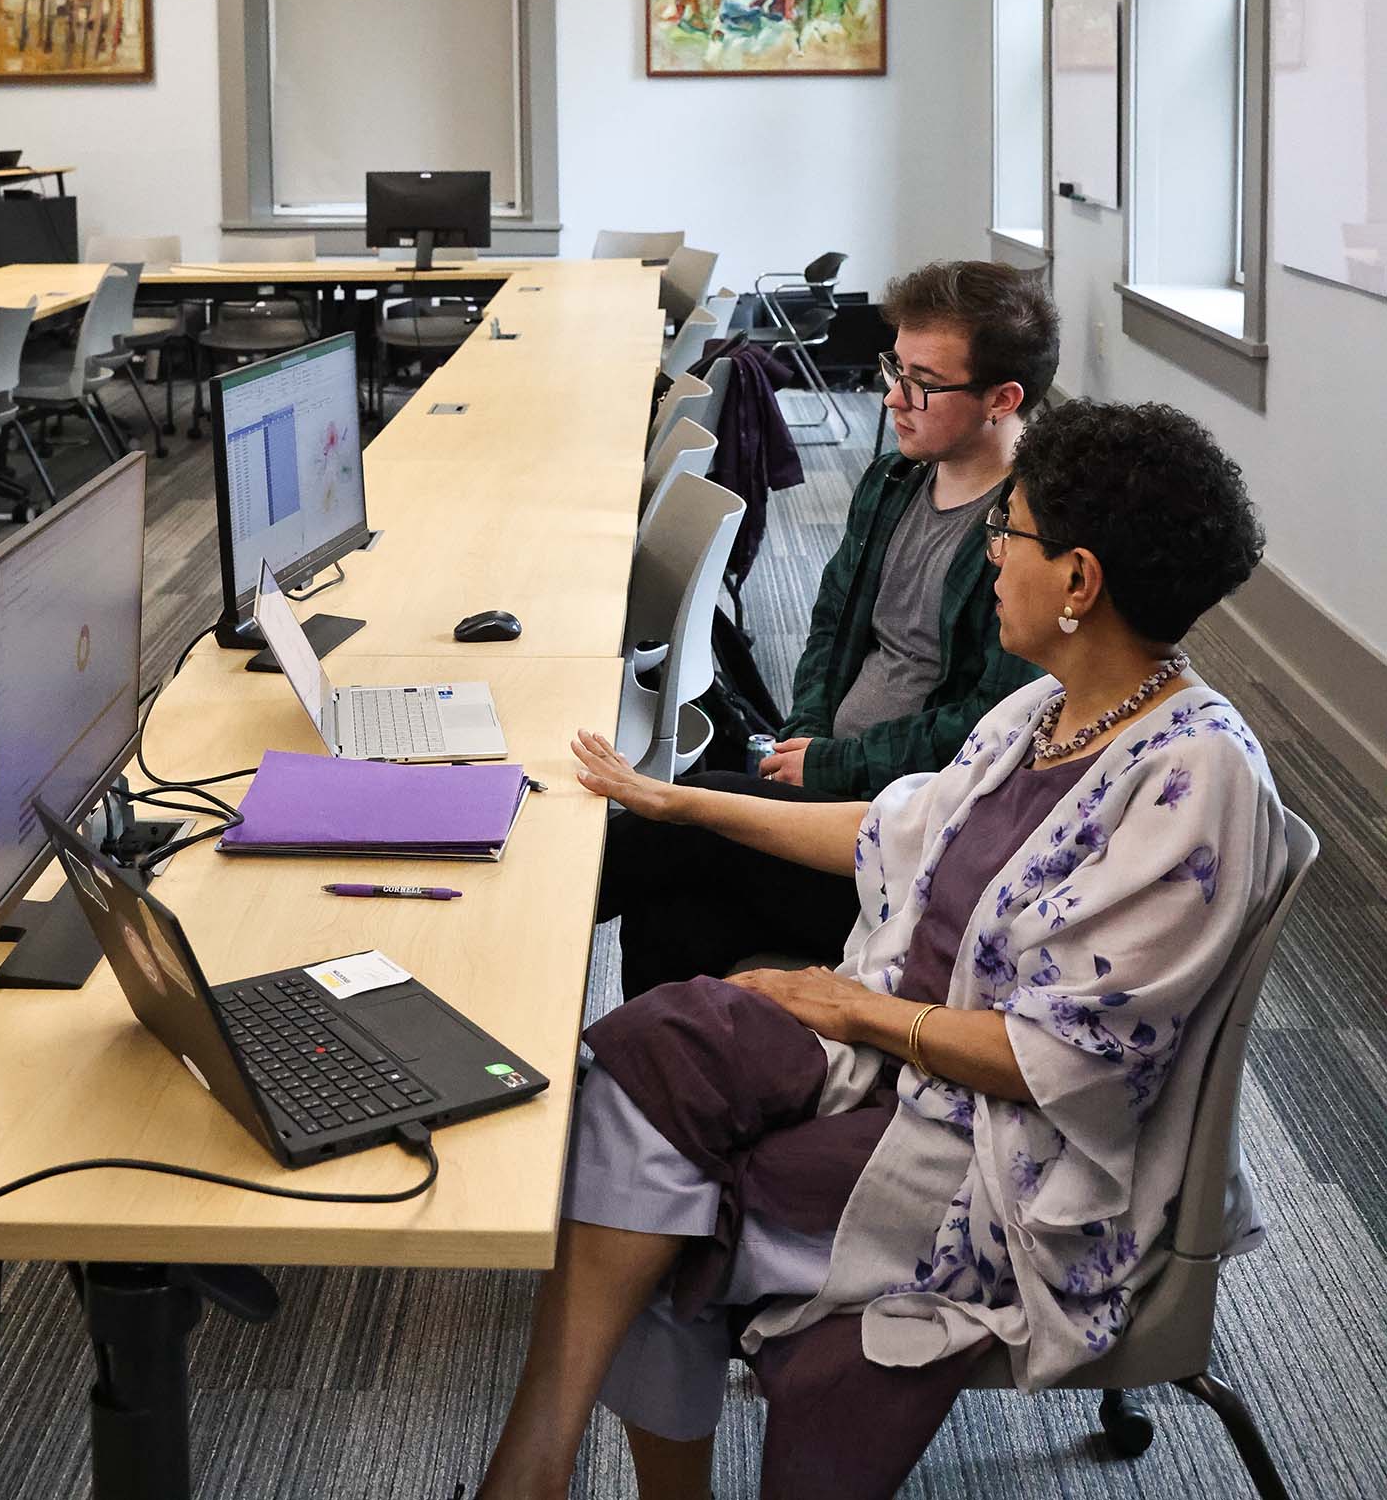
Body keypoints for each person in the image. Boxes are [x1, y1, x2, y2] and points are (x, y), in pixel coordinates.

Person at [470, 398, 1283, 1500]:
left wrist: (856, 1014)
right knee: (649, 1048)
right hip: (907, 1063)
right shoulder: (1046, 710)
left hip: (1015, 1155)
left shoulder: (1197, 778)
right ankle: (541, 1460)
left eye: (1013, 533)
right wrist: (681, 802)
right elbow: (892, 829)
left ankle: (546, 1469)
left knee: (663, 1187)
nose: (991, 553)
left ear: (1078, 581)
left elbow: (1071, 1063)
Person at [599, 261, 1061, 997]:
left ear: (1001, 399)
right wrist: (805, 735)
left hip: (910, 850)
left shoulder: (1031, 536)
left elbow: (985, 730)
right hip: (831, 786)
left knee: (686, 821)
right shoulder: (891, 482)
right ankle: (654, 1088)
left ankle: (517, 898)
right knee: (676, 909)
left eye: (922, 383)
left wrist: (829, 766)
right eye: (894, 369)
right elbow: (828, 630)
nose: (894, 397)